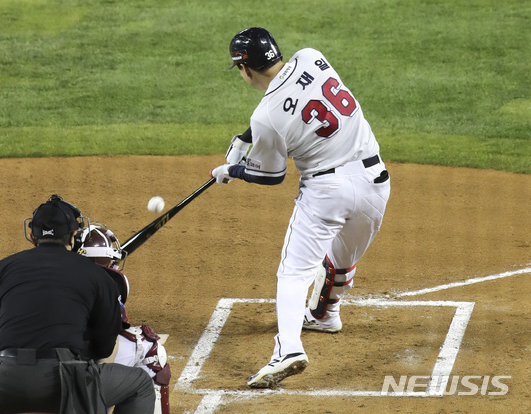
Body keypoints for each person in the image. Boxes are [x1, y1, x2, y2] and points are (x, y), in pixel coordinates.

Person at [210, 27, 391, 389]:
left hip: (326, 192)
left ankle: (288, 349)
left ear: (245, 69)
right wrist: (247, 137)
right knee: (340, 258)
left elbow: (271, 176)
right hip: (376, 185)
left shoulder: (267, 116)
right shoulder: (311, 56)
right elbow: (296, 102)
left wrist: (230, 170)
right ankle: (325, 314)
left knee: (294, 272)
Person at [0, 195, 155, 414]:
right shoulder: (98, 276)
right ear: (73, 236)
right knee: (140, 384)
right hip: (67, 384)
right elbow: (104, 347)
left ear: (31, 235)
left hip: (3, 384)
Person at [74, 223, 172, 414]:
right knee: (152, 351)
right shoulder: (113, 282)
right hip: (82, 366)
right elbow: (109, 336)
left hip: (31, 370)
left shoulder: (38, 274)